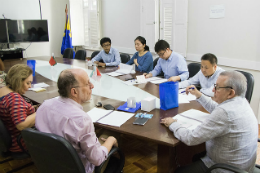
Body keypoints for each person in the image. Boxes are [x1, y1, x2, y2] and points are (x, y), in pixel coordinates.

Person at [161, 71, 258, 173]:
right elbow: (216, 108)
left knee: (178, 171)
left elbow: (191, 138)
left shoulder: (225, 112)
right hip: (243, 165)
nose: (213, 90)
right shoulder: (241, 102)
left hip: (224, 167)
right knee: (195, 156)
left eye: (217, 87)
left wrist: (173, 123)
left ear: (230, 93)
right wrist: (199, 95)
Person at [36, 68, 118, 173]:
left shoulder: (44, 106)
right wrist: (112, 139)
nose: (92, 86)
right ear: (74, 91)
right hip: (79, 169)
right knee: (110, 134)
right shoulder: (81, 119)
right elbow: (96, 159)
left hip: (50, 164)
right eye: (87, 84)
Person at [0, 64, 36, 152]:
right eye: (28, 83)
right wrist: (41, 111)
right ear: (18, 81)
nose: (30, 86)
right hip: (21, 142)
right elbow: (21, 125)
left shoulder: (3, 90)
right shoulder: (14, 99)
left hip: (11, 137)